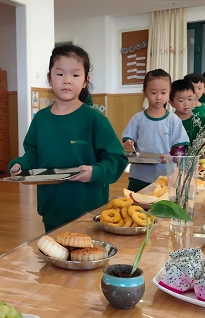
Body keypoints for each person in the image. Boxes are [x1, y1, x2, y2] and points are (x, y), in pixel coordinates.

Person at [8, 45, 127, 232]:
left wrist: (95, 172)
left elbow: (117, 159)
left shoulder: (95, 120)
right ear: (50, 78)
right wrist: (20, 165)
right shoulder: (41, 119)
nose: (67, 81)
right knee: (54, 255)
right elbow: (34, 153)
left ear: (86, 81)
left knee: (86, 255)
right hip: (51, 209)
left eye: (75, 75)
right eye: (60, 74)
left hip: (88, 210)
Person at [122, 69, 189, 192]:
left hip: (165, 177)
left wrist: (172, 157)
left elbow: (181, 148)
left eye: (163, 92)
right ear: (145, 93)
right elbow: (128, 138)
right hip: (139, 176)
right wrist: (129, 143)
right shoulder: (138, 118)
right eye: (153, 93)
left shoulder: (173, 120)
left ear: (170, 93)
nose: (158, 97)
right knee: (136, 205)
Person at [169, 79, 205, 145]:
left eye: (190, 99)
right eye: (181, 100)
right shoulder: (169, 123)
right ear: (171, 103)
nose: (186, 103)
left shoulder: (202, 121)